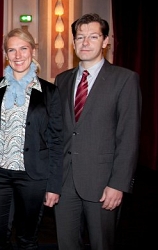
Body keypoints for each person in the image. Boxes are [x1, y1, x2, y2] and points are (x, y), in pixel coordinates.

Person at [54, 13, 142, 250]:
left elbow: (128, 138)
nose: (85, 42)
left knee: (102, 244)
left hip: (103, 184)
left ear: (105, 41)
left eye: (93, 37)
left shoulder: (125, 79)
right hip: (65, 183)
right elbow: (59, 134)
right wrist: (52, 181)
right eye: (80, 37)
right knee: (66, 244)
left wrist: (119, 184)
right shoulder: (62, 80)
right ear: (73, 43)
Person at [0, 28, 63, 249]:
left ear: (32, 51)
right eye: (12, 50)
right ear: (6, 54)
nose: (18, 55)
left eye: (23, 49)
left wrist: (54, 185)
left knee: (27, 239)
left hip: (33, 176)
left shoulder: (50, 92)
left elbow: (56, 140)